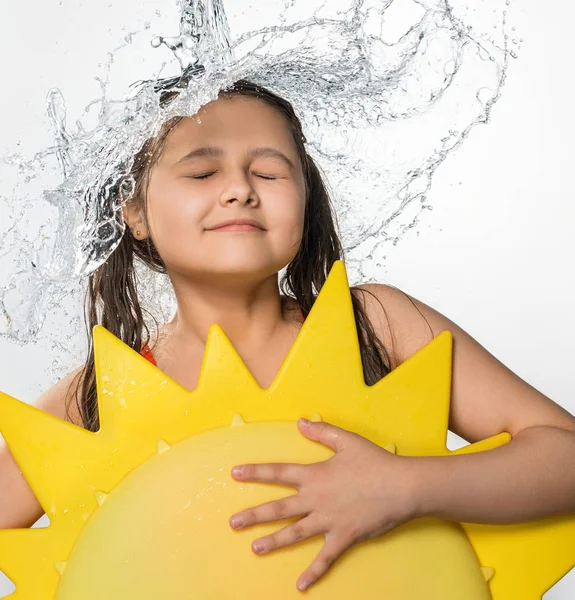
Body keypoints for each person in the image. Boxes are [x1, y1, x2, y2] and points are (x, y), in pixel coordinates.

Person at [1, 80, 574, 593]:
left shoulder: (375, 324)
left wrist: (407, 487)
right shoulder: (107, 390)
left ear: (306, 199)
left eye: (269, 172)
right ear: (134, 211)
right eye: (203, 172)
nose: (239, 190)